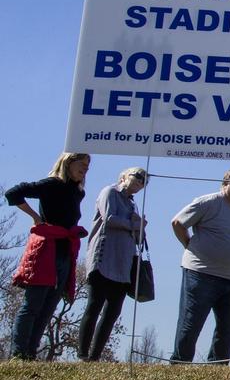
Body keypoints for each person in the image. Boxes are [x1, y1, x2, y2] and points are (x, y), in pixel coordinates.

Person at [6, 152, 90, 360]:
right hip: (47, 249)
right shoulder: (52, 184)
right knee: (33, 303)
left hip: (65, 252)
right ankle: (18, 352)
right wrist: (35, 216)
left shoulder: (77, 191)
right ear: (69, 163)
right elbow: (14, 193)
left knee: (49, 306)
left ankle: (31, 353)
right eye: (82, 164)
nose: (86, 169)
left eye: (88, 166)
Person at [169, 169, 230, 364]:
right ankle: (180, 363)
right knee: (191, 322)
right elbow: (177, 222)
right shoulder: (207, 202)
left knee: (228, 327)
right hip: (201, 273)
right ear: (224, 184)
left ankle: (217, 366)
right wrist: (188, 244)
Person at [77, 167, 147, 362]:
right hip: (104, 258)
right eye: (138, 176)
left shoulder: (133, 205)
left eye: (144, 181)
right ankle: (83, 353)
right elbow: (109, 218)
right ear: (124, 176)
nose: (140, 182)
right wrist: (135, 224)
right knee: (94, 305)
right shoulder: (110, 192)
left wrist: (140, 228)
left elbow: (138, 235)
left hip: (123, 264)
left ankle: (95, 356)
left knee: (112, 312)